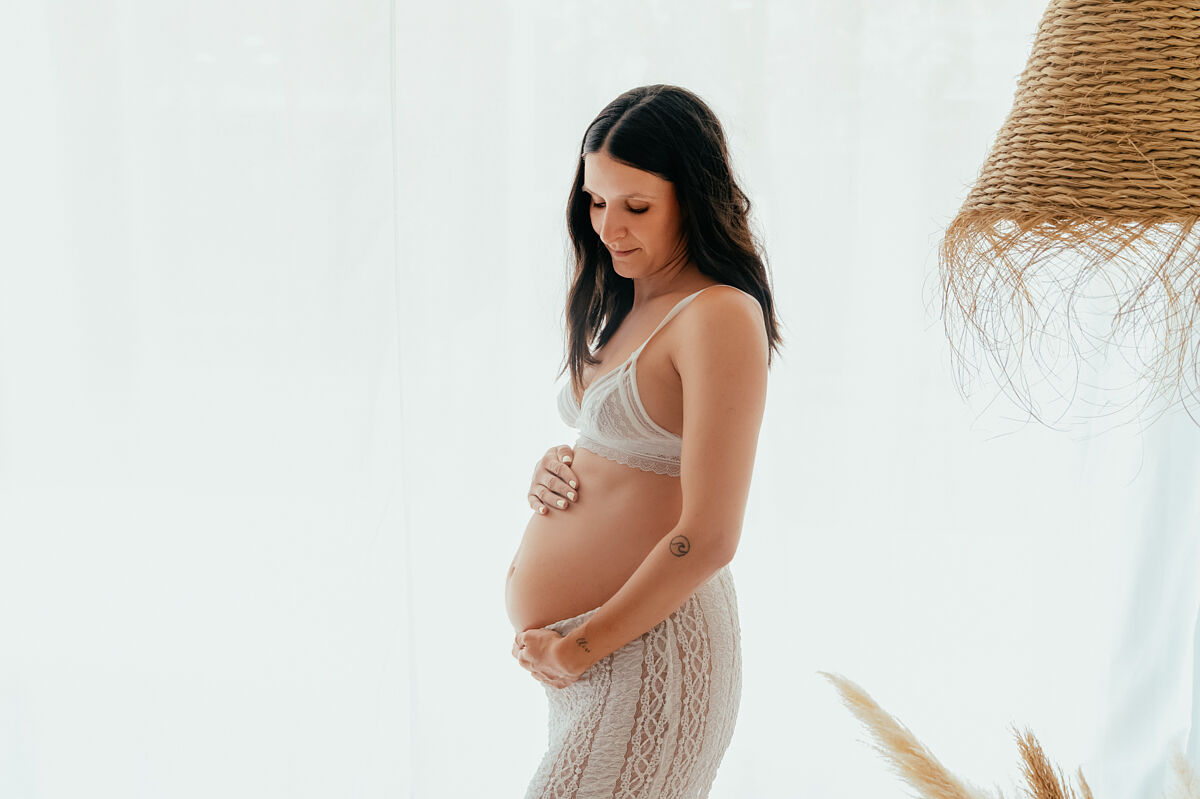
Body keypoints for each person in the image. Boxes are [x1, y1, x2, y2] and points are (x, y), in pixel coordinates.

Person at [504, 84, 782, 799]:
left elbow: (712, 535)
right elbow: (628, 445)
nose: (608, 226)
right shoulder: (631, 300)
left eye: (636, 206)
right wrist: (557, 468)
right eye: (596, 202)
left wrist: (578, 646)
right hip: (588, 660)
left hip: (649, 652)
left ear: (693, 197)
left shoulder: (718, 314)